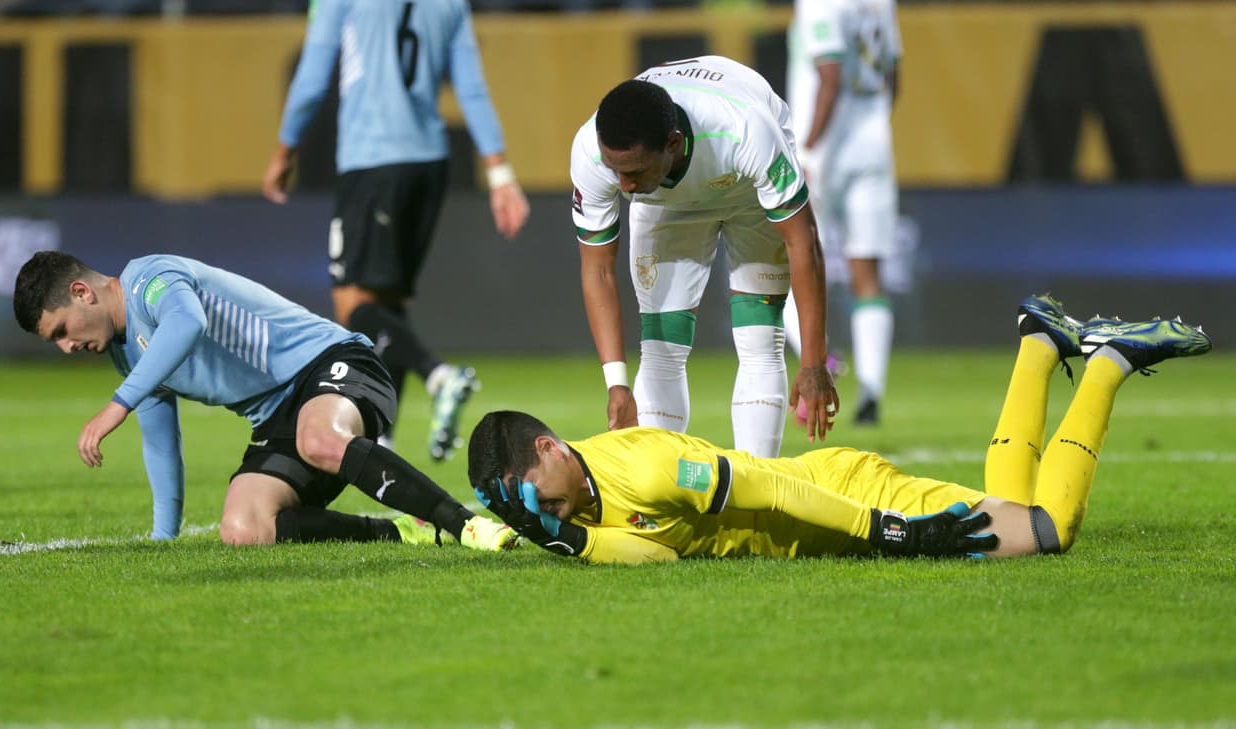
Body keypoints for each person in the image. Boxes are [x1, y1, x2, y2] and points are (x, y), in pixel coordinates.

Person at [466, 294, 1211, 564]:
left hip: (850, 495)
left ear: (548, 447)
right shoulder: (577, 514)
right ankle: (1041, 343)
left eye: (529, 492)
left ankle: (1109, 360)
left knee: (1048, 531)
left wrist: (892, 530)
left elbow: (767, 483)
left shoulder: (650, 466)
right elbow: (655, 562)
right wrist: (565, 539)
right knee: (1009, 508)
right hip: (843, 517)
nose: (534, 509)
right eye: (519, 508)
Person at [13, 250, 518, 551]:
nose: (66, 347)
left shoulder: (151, 280)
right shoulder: (127, 358)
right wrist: (163, 540)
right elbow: (163, 445)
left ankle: (465, 524)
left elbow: (187, 322)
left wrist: (114, 407)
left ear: (82, 292)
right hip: (276, 416)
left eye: (61, 331)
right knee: (243, 527)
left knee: (318, 436)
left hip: (333, 364)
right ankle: (406, 532)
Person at [262, 0, 530, 461]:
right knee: (387, 305)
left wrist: (285, 149)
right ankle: (383, 438)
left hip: (373, 162)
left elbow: (311, 78)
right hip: (429, 166)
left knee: (354, 304)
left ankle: (437, 375)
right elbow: (470, 86)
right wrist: (500, 172)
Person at [570, 55, 840, 459]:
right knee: (660, 346)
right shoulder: (592, 152)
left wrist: (815, 363)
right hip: (665, 203)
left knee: (761, 338)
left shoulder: (745, 129)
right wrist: (616, 384)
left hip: (747, 191)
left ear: (673, 144)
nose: (624, 185)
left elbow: (803, 242)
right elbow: (598, 270)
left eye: (634, 171)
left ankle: (757, 495)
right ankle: (661, 500)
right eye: (616, 171)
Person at [785, 0, 903, 426]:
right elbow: (893, 75)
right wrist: (872, 126)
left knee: (786, 260)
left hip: (824, 152)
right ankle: (871, 392)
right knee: (867, 273)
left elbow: (828, 80)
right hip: (873, 147)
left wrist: (808, 149)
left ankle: (821, 357)